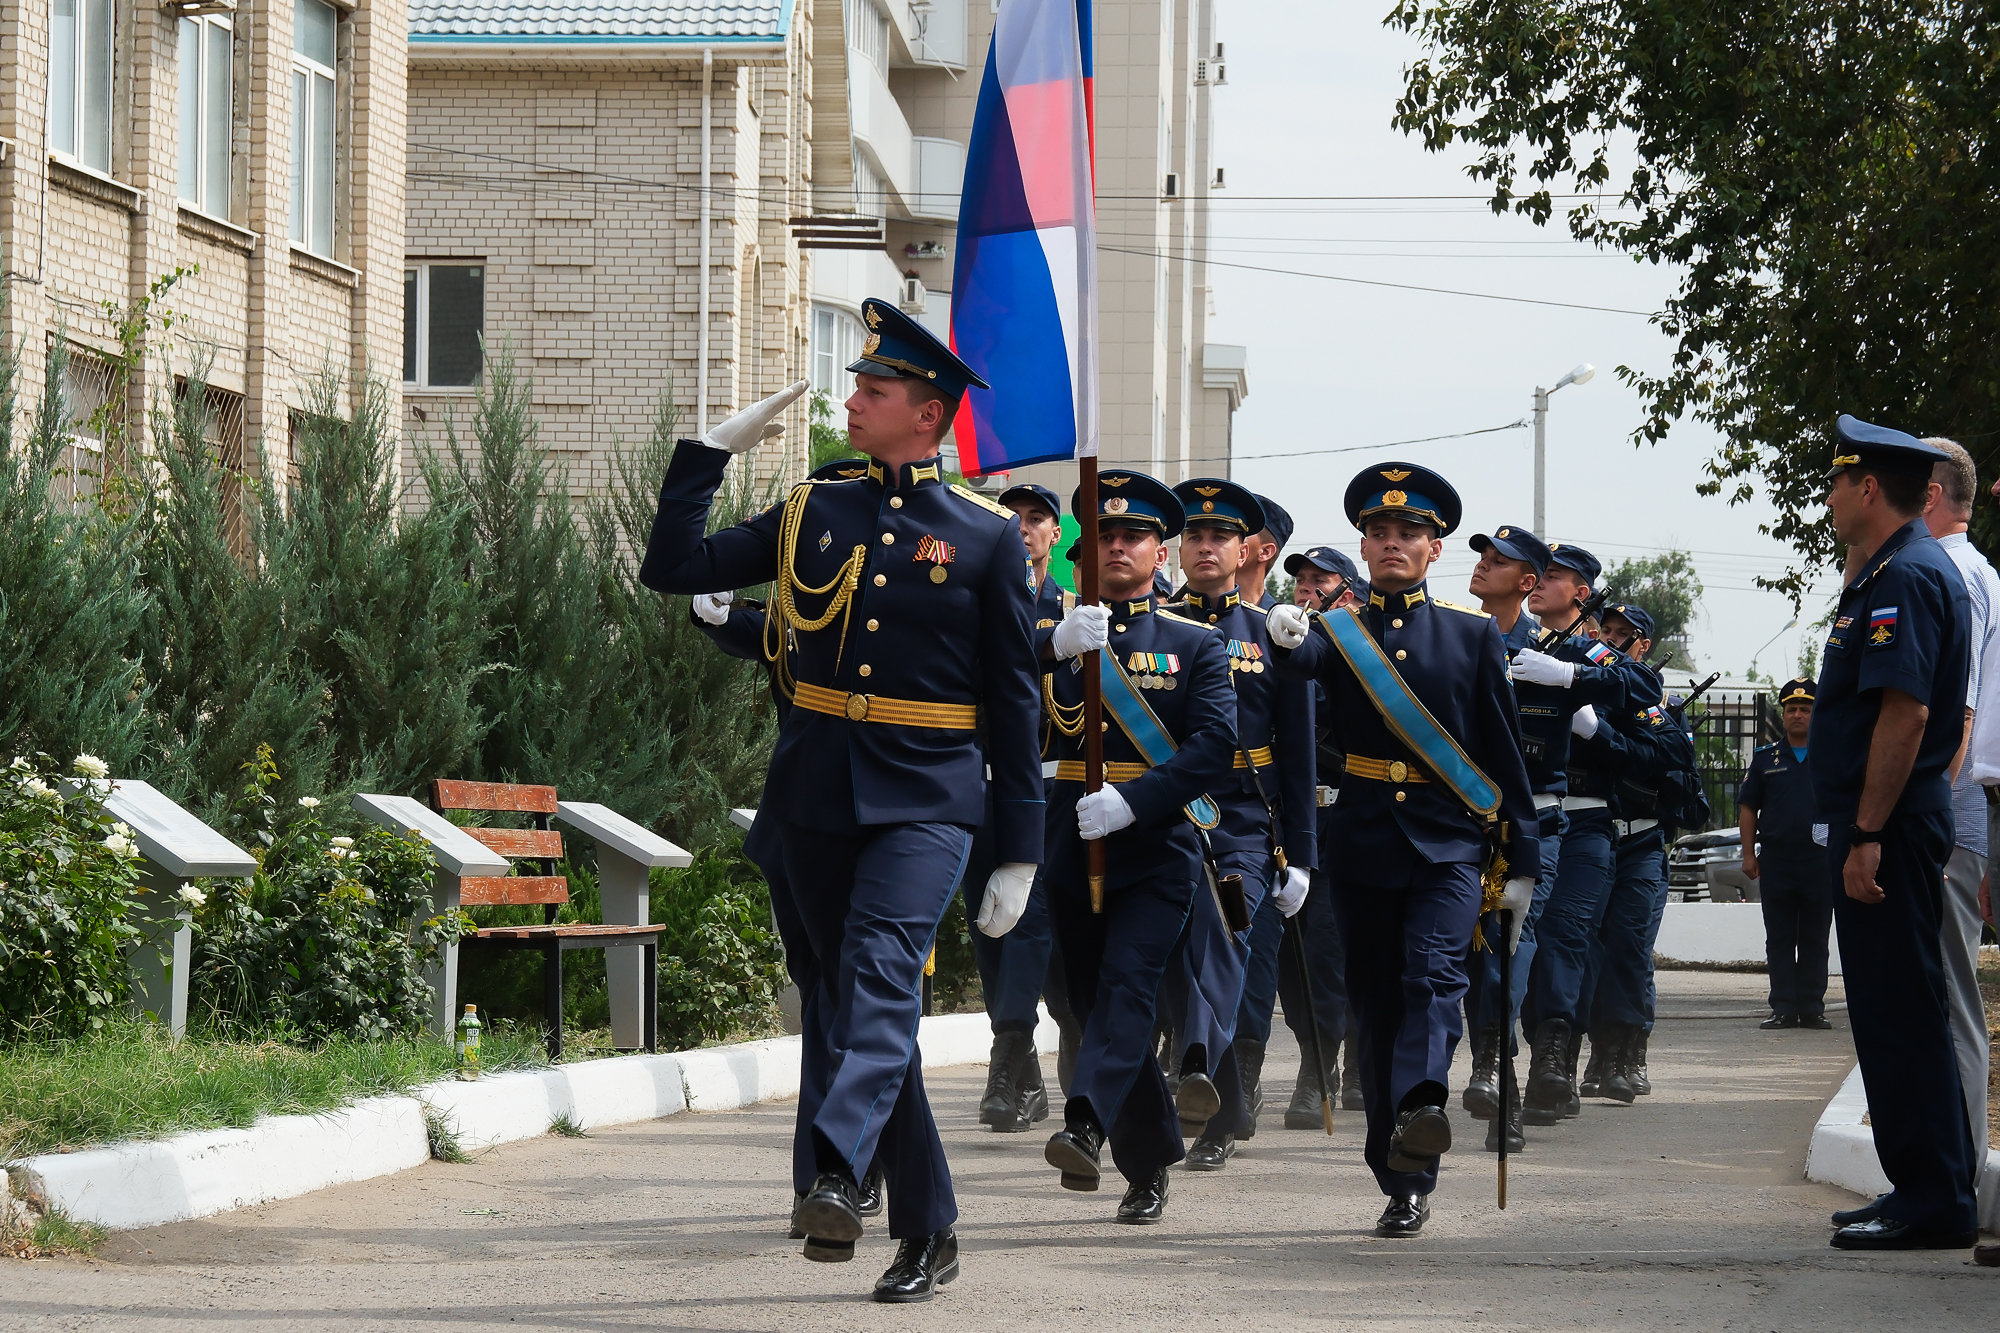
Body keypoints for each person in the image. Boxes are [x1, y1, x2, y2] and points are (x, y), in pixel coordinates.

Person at [639, 299, 1045, 1301]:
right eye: (857, 384)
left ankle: (835, 1168)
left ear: (929, 414)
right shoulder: (813, 509)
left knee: (877, 976)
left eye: (875, 388)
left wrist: (1018, 848)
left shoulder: (987, 538)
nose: (852, 399)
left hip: (928, 798)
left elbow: (1011, 702)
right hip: (814, 792)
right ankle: (930, 1230)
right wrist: (704, 457)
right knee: (852, 1000)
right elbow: (673, 568)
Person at [1266, 463, 1538, 1238]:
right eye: (1379, 533)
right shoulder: (1337, 632)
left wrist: (1522, 858)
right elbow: (1299, 667)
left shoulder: (1472, 634)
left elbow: (1502, 752)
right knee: (1378, 1010)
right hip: (1362, 848)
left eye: (1408, 533)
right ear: (1363, 545)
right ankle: (1400, 1174)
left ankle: (1423, 1105)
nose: (1393, 543)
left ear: (1434, 549)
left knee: (1434, 975)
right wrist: (1283, 635)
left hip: (1448, 845)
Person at [1037, 469, 1236, 1225]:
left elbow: (1214, 746)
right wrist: (1052, 644)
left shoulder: (1196, 644)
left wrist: (1135, 800)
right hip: (1070, 840)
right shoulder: (1055, 634)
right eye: (1104, 537)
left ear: (1161, 553)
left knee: (1127, 987)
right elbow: (992, 686)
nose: (1117, 547)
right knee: (1088, 1004)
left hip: (1156, 847)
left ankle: (1084, 1122)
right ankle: (1149, 1161)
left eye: (1133, 537)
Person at [1810, 415, 1978, 1252]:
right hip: (1888, 821)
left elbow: (1905, 716)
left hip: (1892, 825)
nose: (1829, 499)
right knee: (1890, 1008)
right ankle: (1921, 1184)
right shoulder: (1889, 568)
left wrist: (1867, 831)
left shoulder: (1906, 577)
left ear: (1868, 486)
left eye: (1837, 483)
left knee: (1903, 1009)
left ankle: (1934, 1196)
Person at [1158, 480, 1316, 1171]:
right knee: (1171, 960)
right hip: (1162, 817)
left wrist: (1301, 854)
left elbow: (1299, 752)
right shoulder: (1152, 627)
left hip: (1242, 826)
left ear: (1246, 549)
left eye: (1220, 536)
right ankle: (1223, 1105)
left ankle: (1195, 1061)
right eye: (1193, 535)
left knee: (1224, 934)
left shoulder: (1271, 635)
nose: (1205, 547)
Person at [1506, 543, 1652, 1126]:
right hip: (1521, 817)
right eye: (1536, 573)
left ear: (1581, 593)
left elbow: (1639, 687)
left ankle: (1554, 1058)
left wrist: (1572, 675)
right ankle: (1515, 1057)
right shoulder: (1508, 640)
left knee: (1566, 935)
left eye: (1554, 576)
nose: (1540, 582)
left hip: (1585, 821)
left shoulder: (1584, 650)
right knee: (1518, 940)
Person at [955, 481, 1070, 1134]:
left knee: (1029, 920)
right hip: (978, 785)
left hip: (1048, 791)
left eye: (1036, 517)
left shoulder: (1076, 610)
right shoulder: (969, 601)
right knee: (987, 923)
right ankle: (1024, 1070)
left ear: (1056, 533)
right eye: (1011, 516)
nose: (1023, 526)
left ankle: (1009, 1054)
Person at [1241, 546, 1361, 1130]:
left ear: (1347, 593)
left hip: (1339, 822)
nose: (1307, 588)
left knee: (1326, 951)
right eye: (1301, 579)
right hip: (1282, 820)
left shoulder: (1357, 648)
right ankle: (1313, 1053)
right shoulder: (1276, 643)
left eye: (1321, 580)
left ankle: (1320, 1066)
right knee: (1286, 955)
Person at [1572, 604, 1690, 1101]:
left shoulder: (1659, 704)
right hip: (1592, 835)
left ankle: (1625, 1053)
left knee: (1630, 947)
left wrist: (1607, 740)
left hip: (1641, 841)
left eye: (1625, 634)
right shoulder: (1584, 694)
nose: (1612, 640)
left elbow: (1676, 764)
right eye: (1606, 631)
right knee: (1587, 949)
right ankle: (1595, 1053)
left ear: (1643, 646)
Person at [1920, 437, 1996, 1164]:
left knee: (1950, 1005)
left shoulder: (1953, 572)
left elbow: (1958, 715)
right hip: (1960, 819)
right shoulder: (1973, 569)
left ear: (1932, 494)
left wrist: (1926, 813)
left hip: (1950, 819)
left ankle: (1957, 1181)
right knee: (1944, 1000)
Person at [1739, 678, 1833, 1030]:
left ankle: (1811, 1007)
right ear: (1783, 714)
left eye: (1805, 709)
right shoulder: (1765, 759)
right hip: (1777, 862)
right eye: (1791, 709)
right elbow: (1748, 808)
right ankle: (1783, 1007)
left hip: (1819, 862)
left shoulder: (1831, 757)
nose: (1797, 715)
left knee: (1814, 938)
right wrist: (1748, 855)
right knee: (1779, 938)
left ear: (1815, 714)